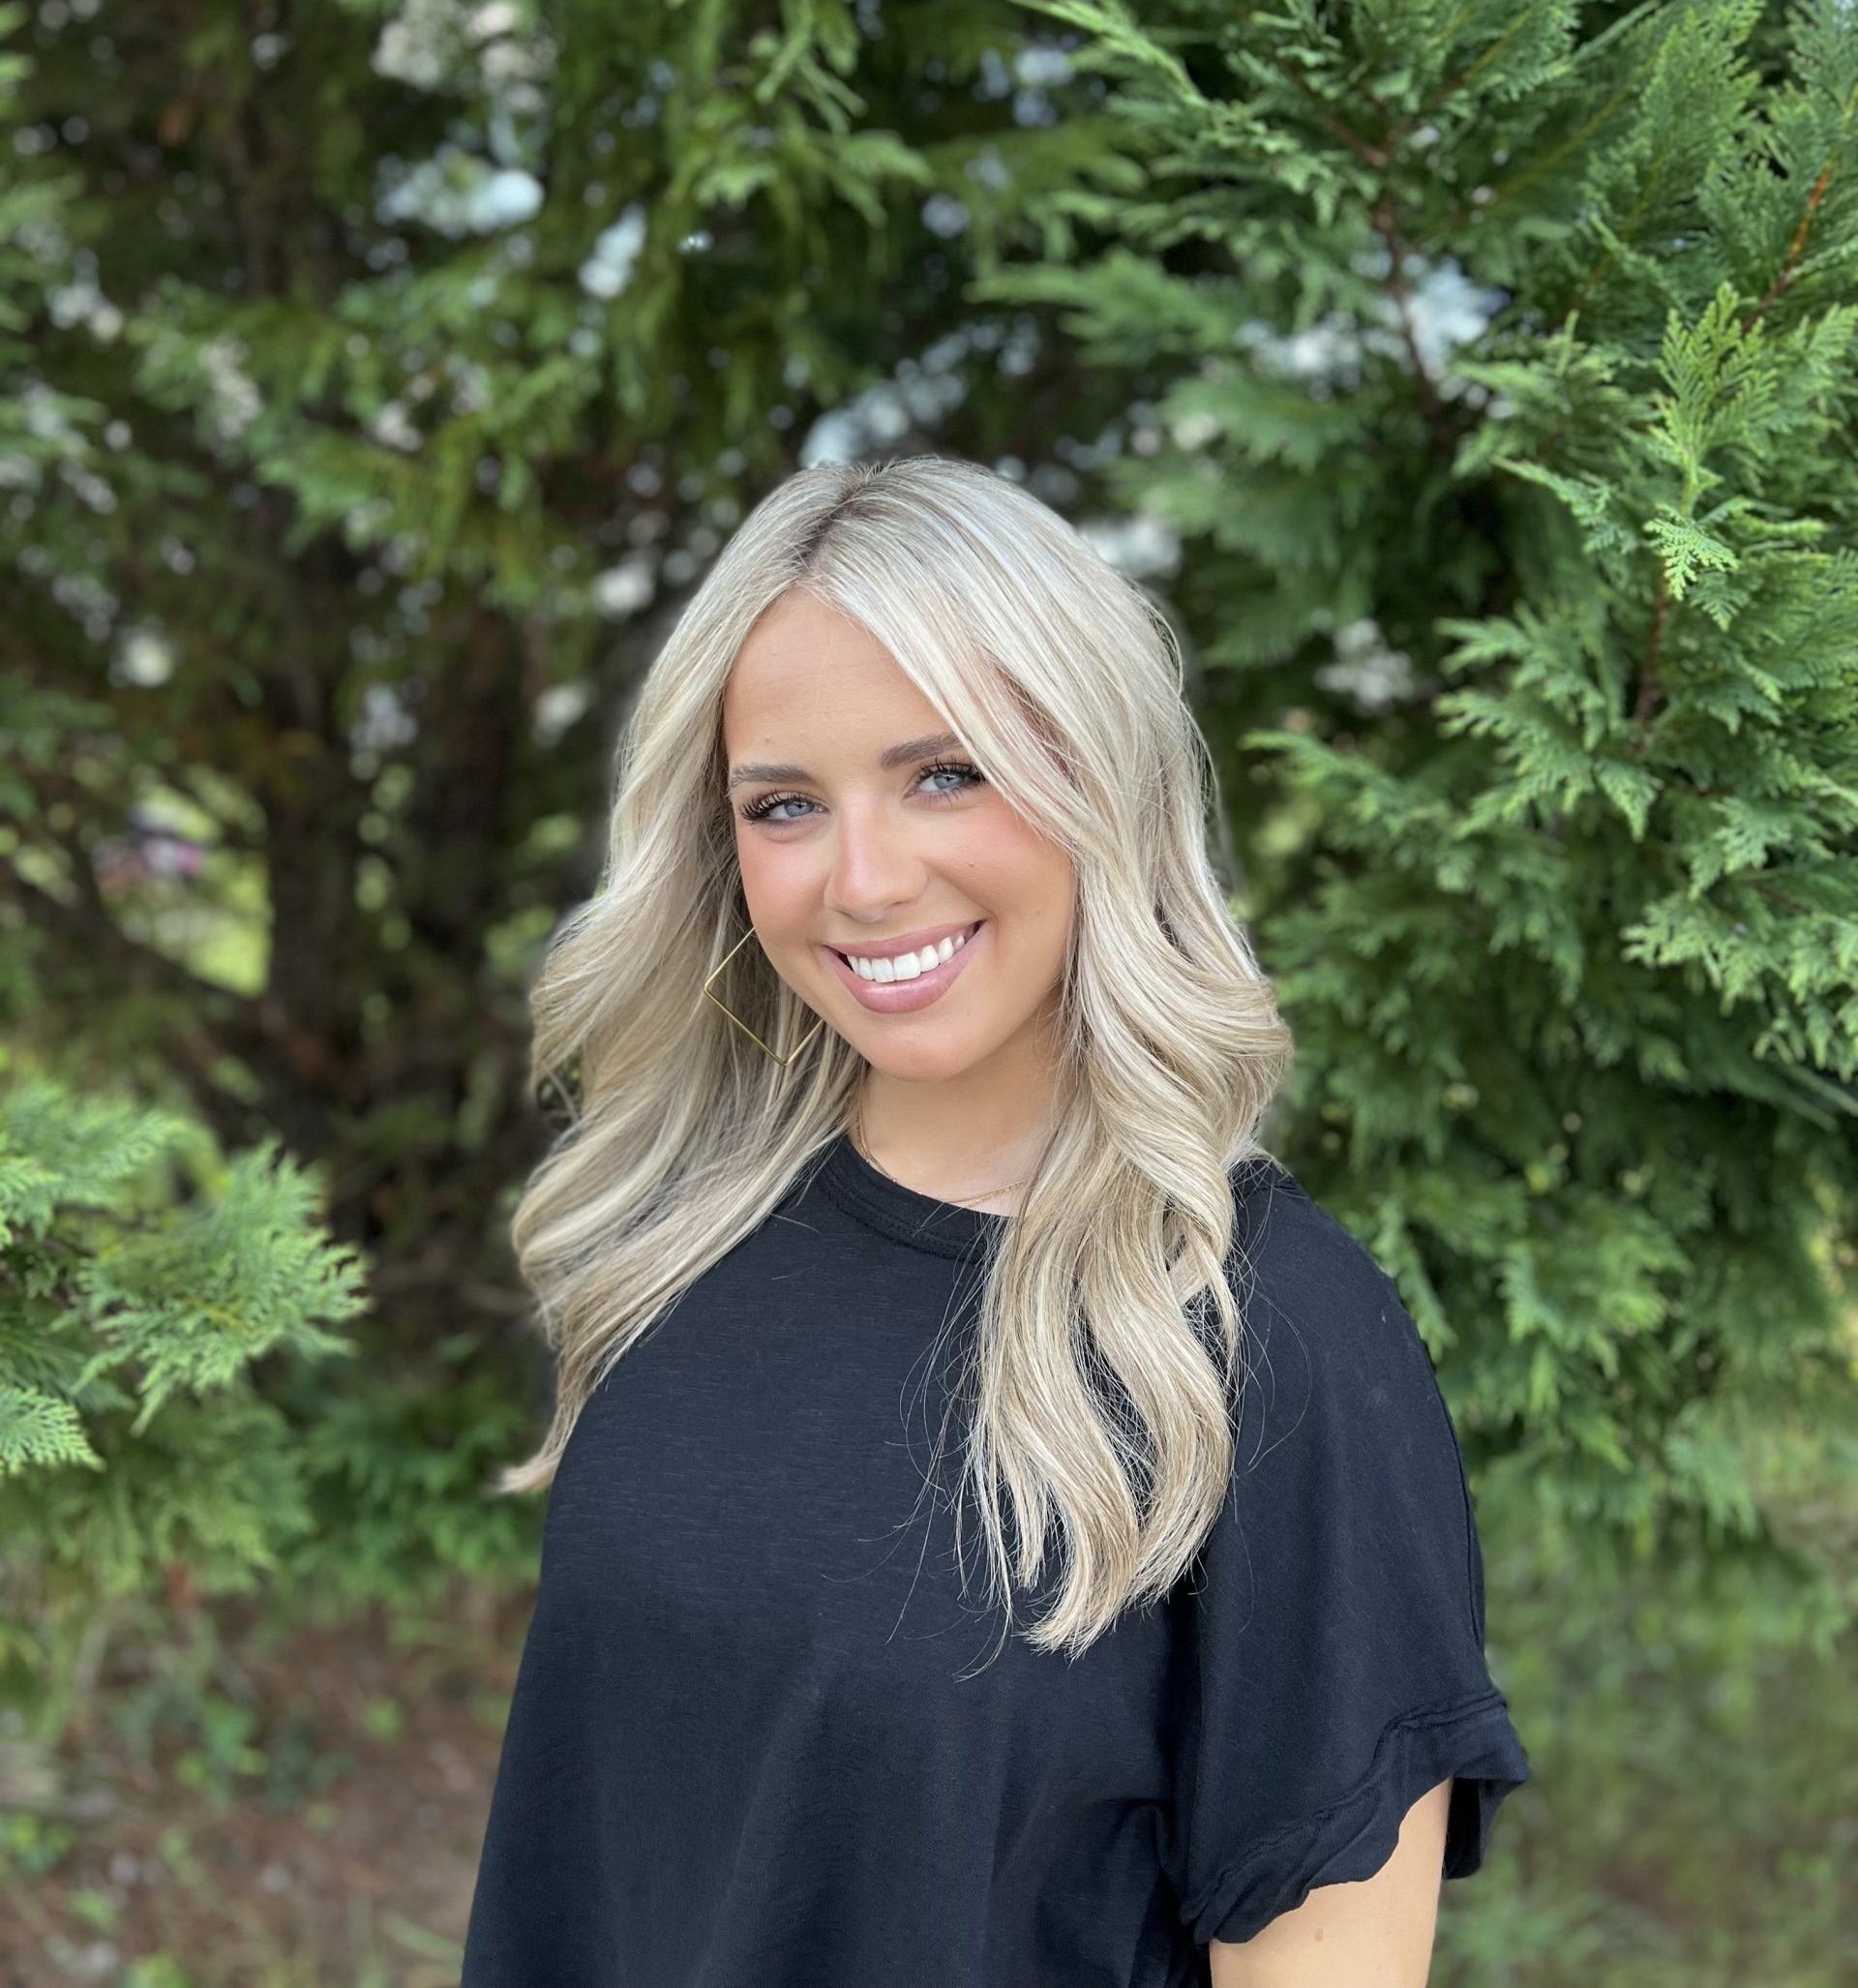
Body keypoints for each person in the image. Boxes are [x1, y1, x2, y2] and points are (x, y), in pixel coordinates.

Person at [459, 455, 1532, 1988]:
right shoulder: (680, 1238)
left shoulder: (1267, 1349)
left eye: (946, 771)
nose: (866, 878)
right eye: (784, 804)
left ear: (1101, 774)